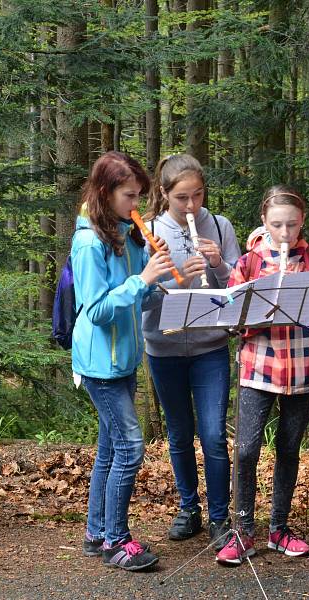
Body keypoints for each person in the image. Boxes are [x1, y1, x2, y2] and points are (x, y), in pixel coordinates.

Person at [216, 185, 309, 566]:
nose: (285, 233)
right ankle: (242, 531)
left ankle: (279, 529)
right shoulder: (248, 263)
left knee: (288, 450)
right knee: (246, 450)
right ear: (264, 223)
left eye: (291, 224)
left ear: (302, 221)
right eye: (277, 225)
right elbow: (228, 317)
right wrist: (248, 318)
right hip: (258, 369)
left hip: (305, 371)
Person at [72, 151, 172, 571]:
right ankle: (117, 540)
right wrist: (141, 279)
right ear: (104, 192)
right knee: (131, 448)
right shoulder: (89, 242)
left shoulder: (124, 233)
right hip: (99, 365)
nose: (136, 205)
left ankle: (97, 533)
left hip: (125, 359)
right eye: (129, 195)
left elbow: (135, 296)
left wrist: (156, 277)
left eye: (139, 196)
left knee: (111, 449)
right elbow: (96, 310)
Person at [141, 154, 241, 549]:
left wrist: (217, 264)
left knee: (214, 435)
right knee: (180, 433)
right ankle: (188, 509)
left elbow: (236, 289)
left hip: (210, 346)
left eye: (198, 196)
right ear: (164, 194)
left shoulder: (219, 225)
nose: (191, 206)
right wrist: (155, 276)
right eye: (182, 198)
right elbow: (139, 296)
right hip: (163, 347)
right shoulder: (147, 230)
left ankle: (220, 517)